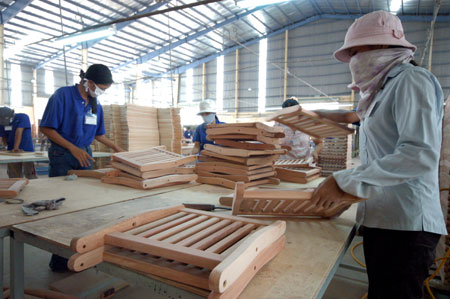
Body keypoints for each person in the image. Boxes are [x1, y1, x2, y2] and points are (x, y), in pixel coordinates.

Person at [311, 11, 446, 298]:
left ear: (382, 46)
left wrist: (344, 181)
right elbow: (355, 117)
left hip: (407, 225)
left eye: (357, 51)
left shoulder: (412, 81)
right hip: (384, 219)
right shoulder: (381, 89)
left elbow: (418, 154)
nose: (355, 60)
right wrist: (313, 114)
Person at [40, 64, 125, 271]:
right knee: (64, 208)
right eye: (100, 88)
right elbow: (46, 127)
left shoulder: (96, 104)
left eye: (105, 90)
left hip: (85, 155)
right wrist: (72, 148)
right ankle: (59, 262)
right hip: (63, 155)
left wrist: (116, 148)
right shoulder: (62, 96)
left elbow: (98, 133)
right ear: (88, 82)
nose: (101, 92)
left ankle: (81, 257)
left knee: (85, 207)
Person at [0, 107, 37, 179]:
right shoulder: (2, 123)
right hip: (11, 152)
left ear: (12, 115)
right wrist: (4, 147)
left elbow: (19, 132)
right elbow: (4, 136)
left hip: (27, 151)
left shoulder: (22, 117)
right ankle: (16, 188)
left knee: (30, 174)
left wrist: (16, 148)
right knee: (13, 175)